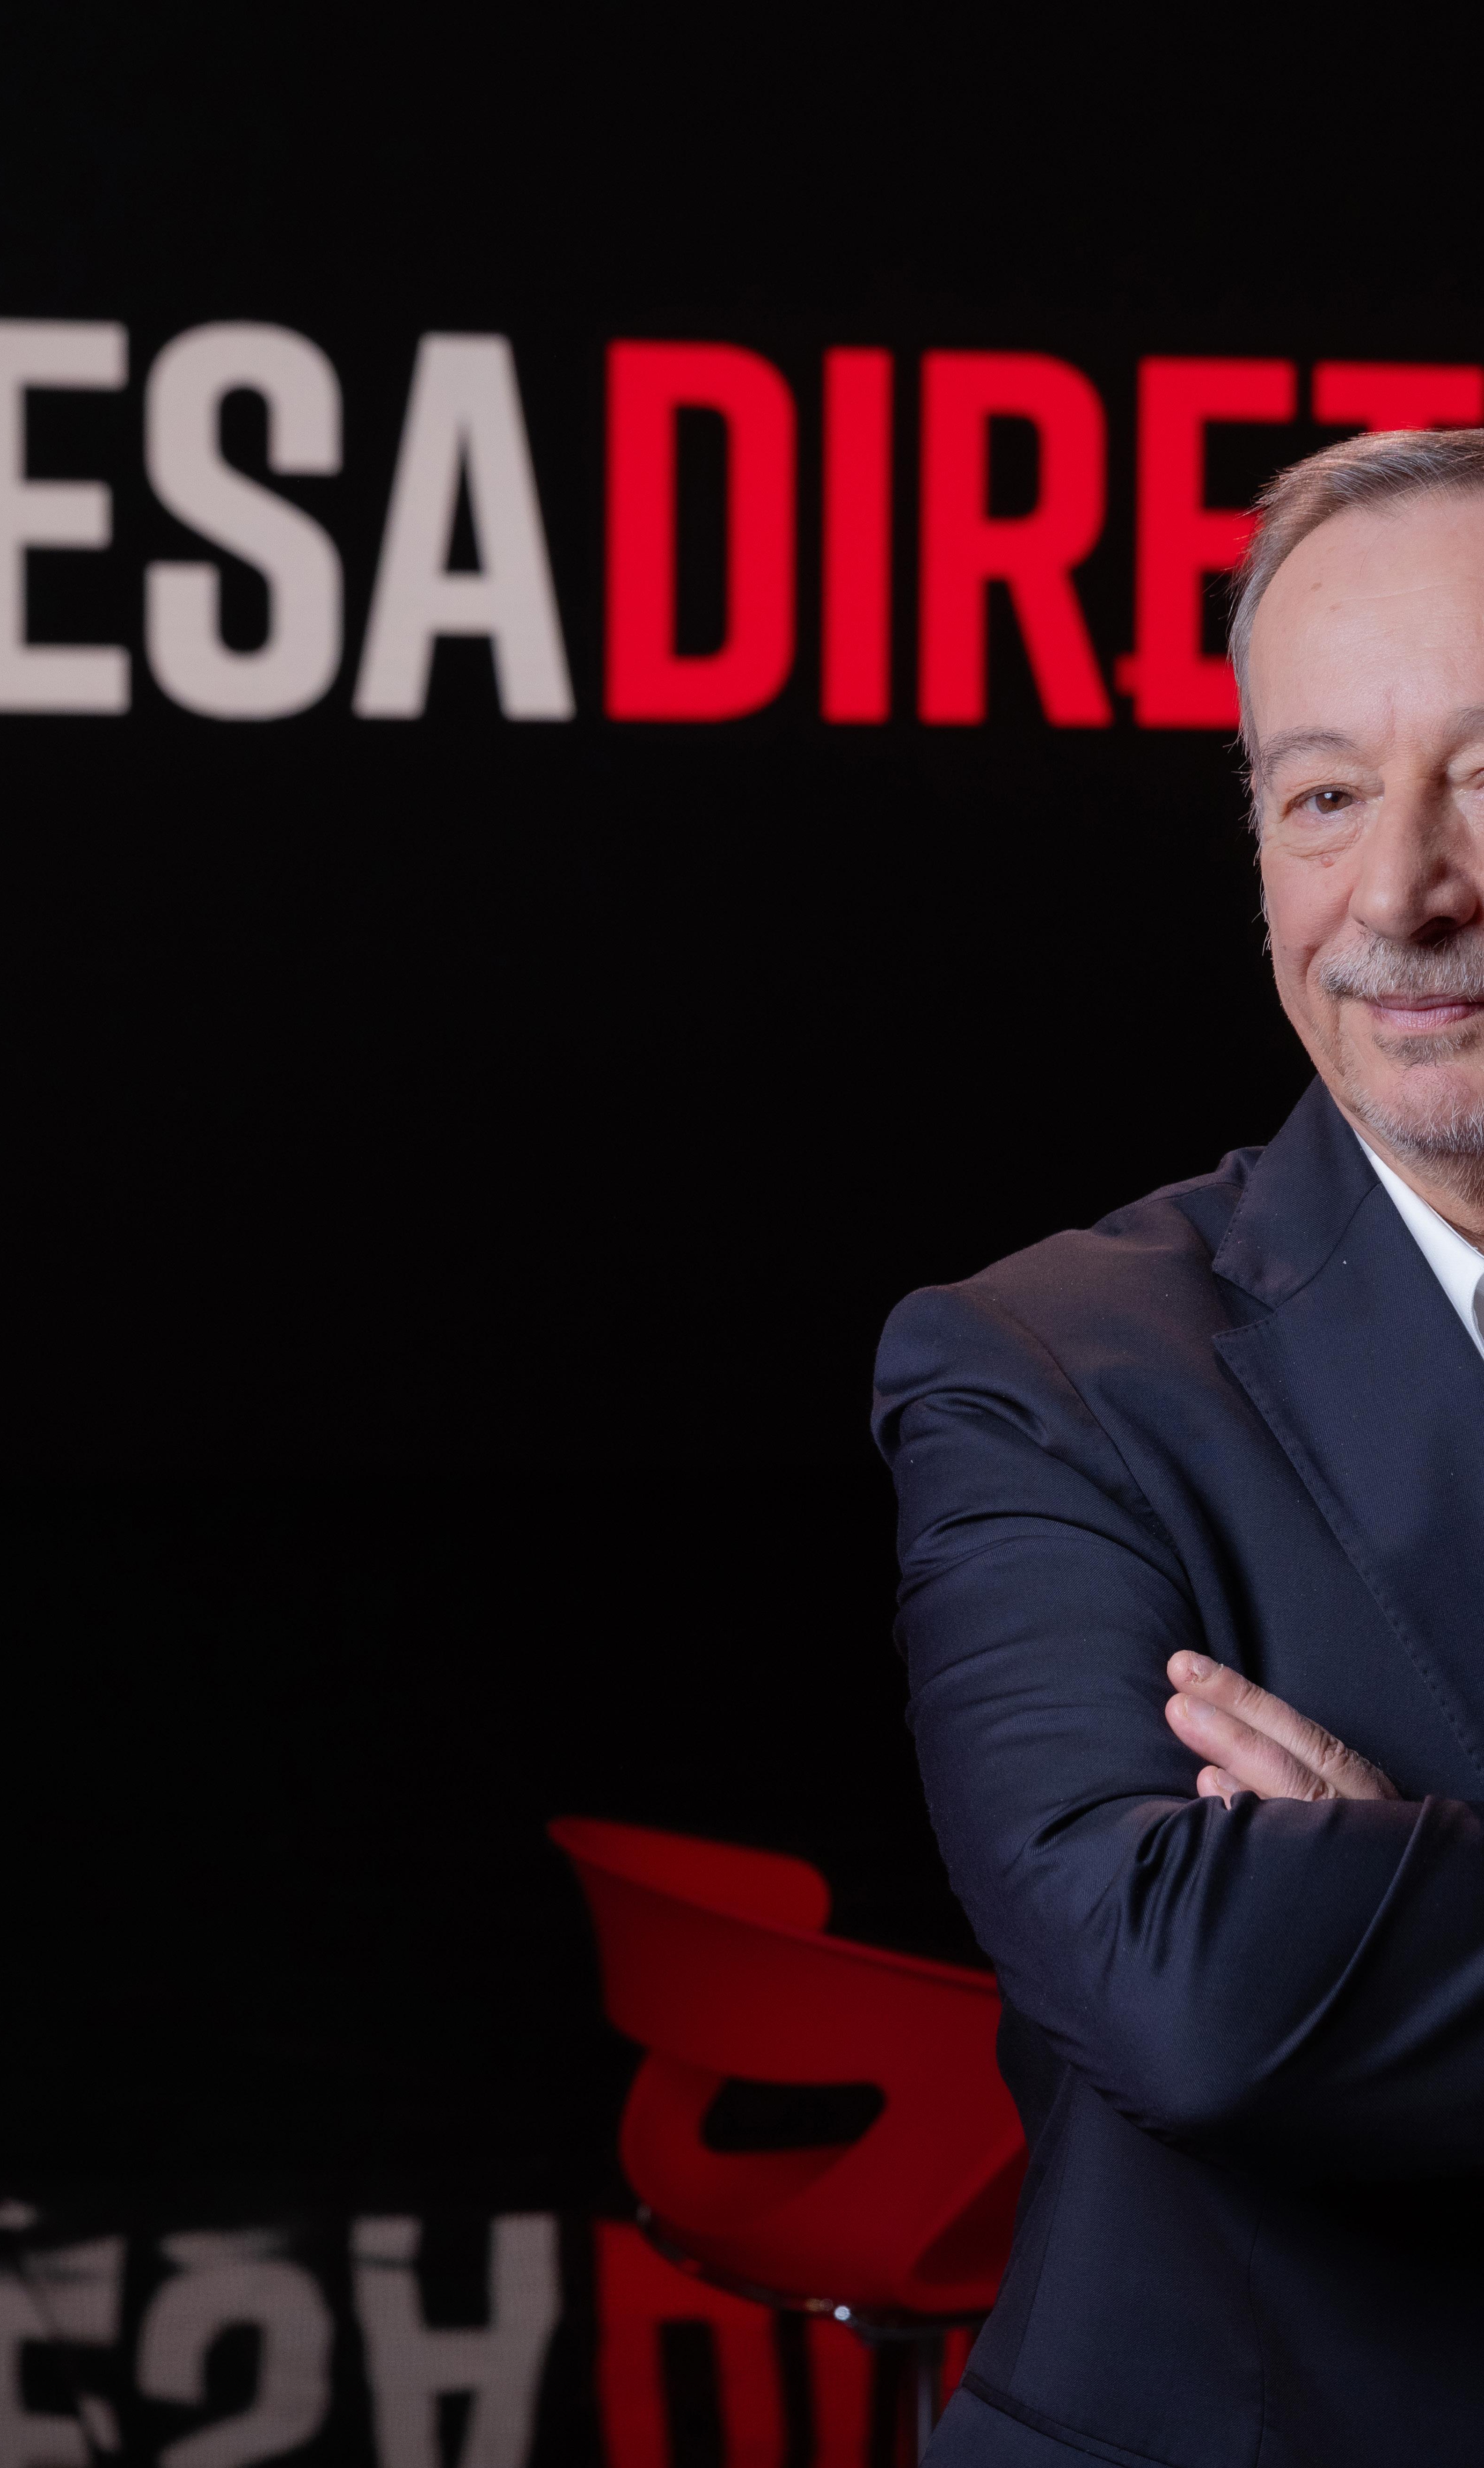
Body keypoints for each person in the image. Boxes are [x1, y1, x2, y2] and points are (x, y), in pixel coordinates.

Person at [874, 427, 1484, 2468]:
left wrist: (1397, 1880)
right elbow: (1193, 2006)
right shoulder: (1045, 1367)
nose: (1397, 891)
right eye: (1322, 795)